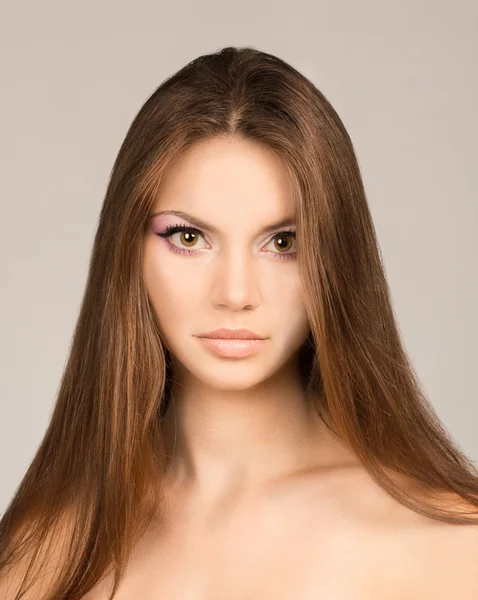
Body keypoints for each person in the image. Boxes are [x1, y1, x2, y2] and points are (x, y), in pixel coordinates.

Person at [1, 45, 477, 600]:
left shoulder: (450, 544)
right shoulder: (39, 551)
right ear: (126, 250)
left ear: (337, 258)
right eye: (189, 238)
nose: (234, 294)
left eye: (282, 243)